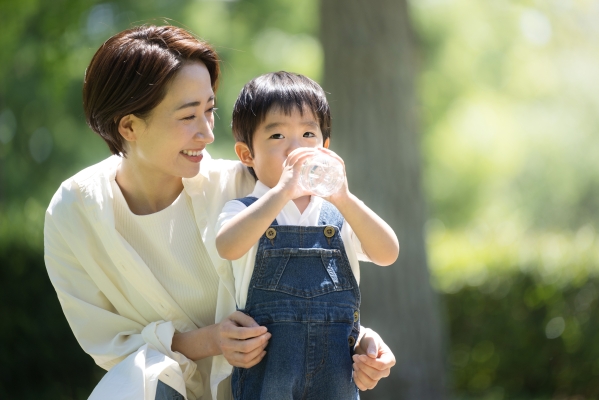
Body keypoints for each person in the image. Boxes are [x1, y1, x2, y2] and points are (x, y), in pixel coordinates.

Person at [43, 25, 395, 400]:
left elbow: (317, 287)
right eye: (187, 116)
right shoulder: (75, 212)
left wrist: (359, 340)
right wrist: (209, 340)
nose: (208, 134)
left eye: (209, 110)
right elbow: (110, 343)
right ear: (129, 125)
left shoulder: (250, 185)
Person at [215, 72, 400, 399]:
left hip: (337, 375)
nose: (295, 148)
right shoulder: (246, 210)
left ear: (325, 148)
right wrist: (284, 190)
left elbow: (387, 253)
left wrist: (343, 197)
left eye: (308, 133)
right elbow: (228, 246)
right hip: (267, 374)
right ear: (247, 155)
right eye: (277, 137)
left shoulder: (340, 212)